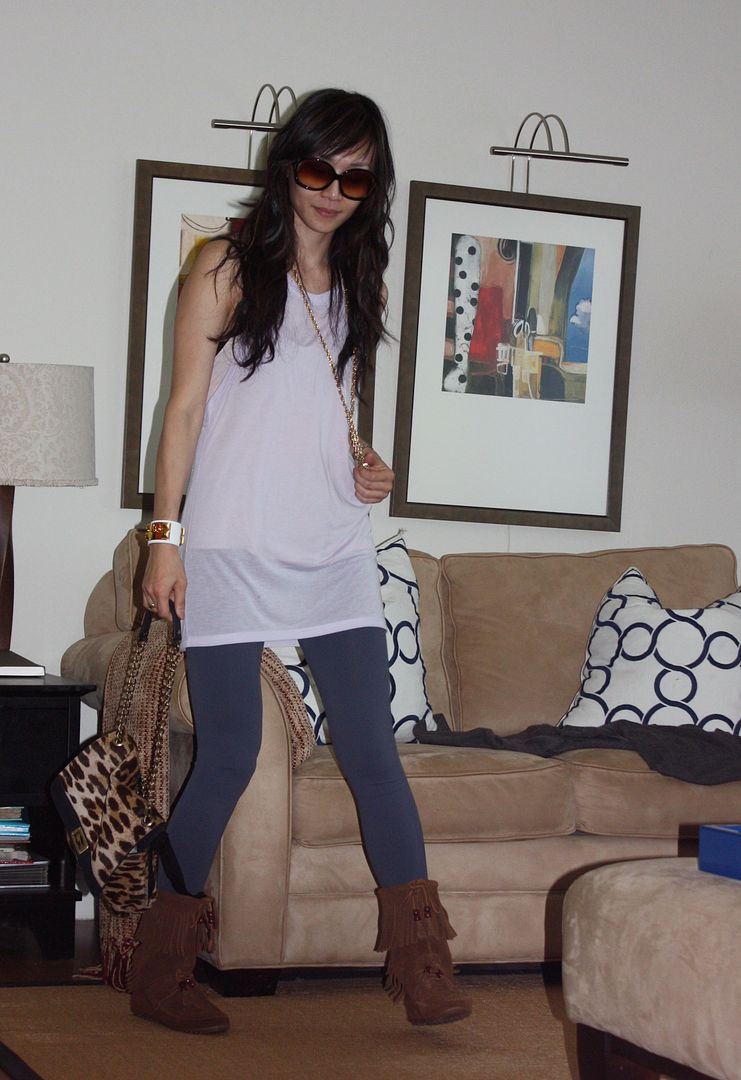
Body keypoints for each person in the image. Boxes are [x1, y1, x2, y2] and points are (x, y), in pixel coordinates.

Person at [134, 88, 471, 1035]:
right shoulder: (225, 266)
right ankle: (158, 969)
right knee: (230, 755)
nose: (331, 191)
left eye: (355, 178)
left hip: (331, 546)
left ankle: (422, 964)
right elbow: (185, 411)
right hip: (232, 545)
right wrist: (164, 540)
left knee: (370, 748)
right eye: (320, 169)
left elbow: (321, 408)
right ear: (290, 163)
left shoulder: (363, 283)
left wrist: (366, 465)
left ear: (373, 188)